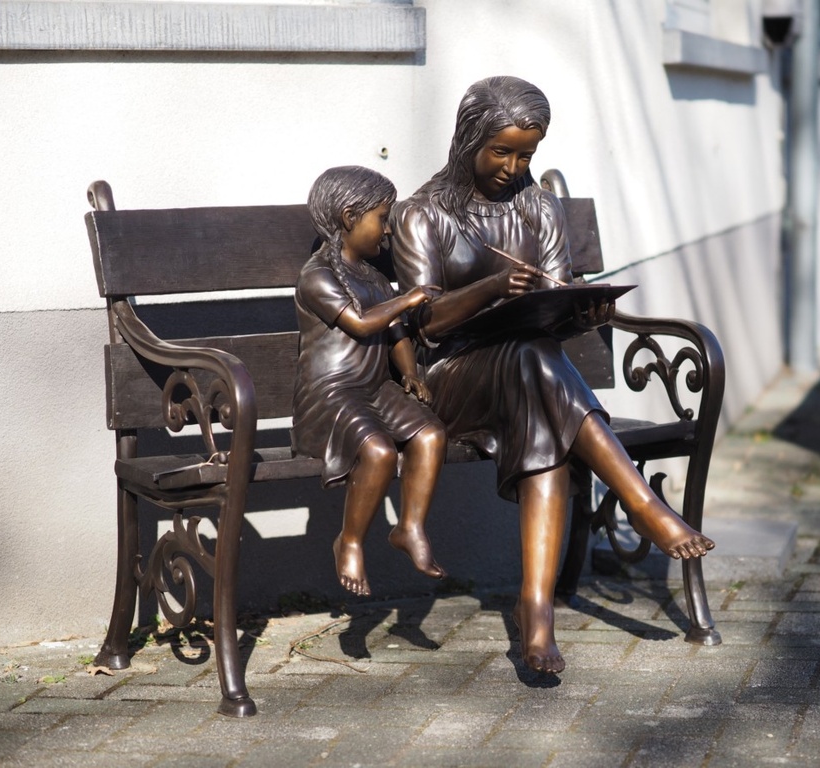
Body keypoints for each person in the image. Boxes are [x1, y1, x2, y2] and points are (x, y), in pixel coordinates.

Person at [390, 76, 715, 674]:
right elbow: (425, 322)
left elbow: (553, 303)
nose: (512, 168)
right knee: (532, 365)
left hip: (529, 376)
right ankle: (641, 504)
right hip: (450, 378)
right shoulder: (421, 214)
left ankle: (536, 611)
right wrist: (490, 288)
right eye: (501, 152)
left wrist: (580, 313)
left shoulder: (539, 206)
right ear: (468, 140)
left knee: (536, 377)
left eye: (526, 155)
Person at [292, 165, 447, 597]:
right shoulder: (317, 276)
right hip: (330, 395)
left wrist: (410, 373)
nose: (388, 230)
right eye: (382, 218)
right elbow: (361, 323)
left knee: (431, 434)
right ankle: (350, 541)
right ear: (349, 217)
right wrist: (408, 299)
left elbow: (396, 335)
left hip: (376, 389)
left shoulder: (375, 278)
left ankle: (410, 527)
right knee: (378, 451)